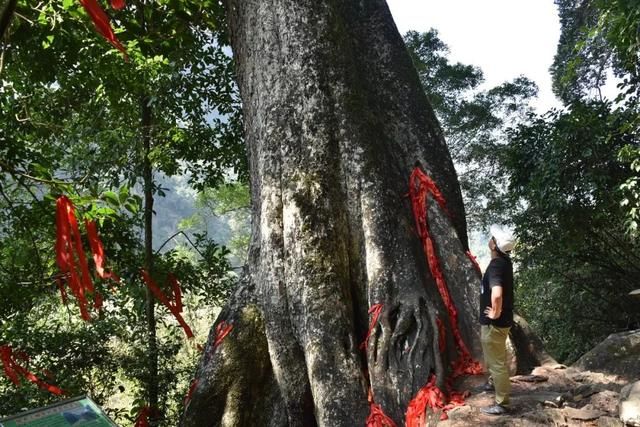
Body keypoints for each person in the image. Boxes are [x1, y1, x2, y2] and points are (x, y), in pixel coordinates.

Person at [479, 224, 515, 415]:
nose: (489, 239)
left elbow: (497, 293)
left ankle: (503, 403)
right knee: (495, 358)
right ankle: (494, 383)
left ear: (494, 245)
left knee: (497, 362)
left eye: (491, 238)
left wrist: (495, 312)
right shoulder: (505, 262)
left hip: (495, 323)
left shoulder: (496, 265)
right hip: (502, 322)